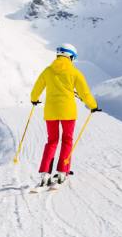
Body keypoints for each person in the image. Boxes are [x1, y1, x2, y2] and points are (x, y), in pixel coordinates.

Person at [29, 43, 101, 187]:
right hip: (68, 113)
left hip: (50, 112)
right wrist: (93, 106)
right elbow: (84, 93)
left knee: (52, 141)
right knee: (67, 141)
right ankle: (63, 172)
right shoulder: (75, 73)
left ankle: (45, 173)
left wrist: (34, 99)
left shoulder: (47, 71)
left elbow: (37, 87)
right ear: (71, 57)